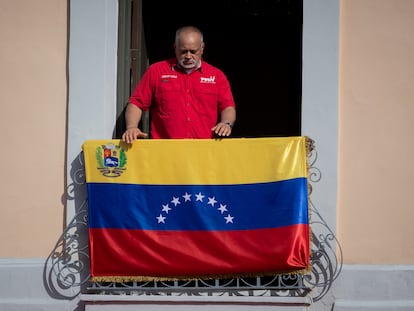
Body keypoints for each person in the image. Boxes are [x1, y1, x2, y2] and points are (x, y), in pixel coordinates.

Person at [122, 26, 236, 143]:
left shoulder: (217, 76)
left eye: (193, 51)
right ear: (175, 47)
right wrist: (132, 127)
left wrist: (226, 123)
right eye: (183, 51)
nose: (188, 56)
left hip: (204, 150)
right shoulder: (156, 71)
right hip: (166, 150)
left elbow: (228, 107)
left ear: (202, 48)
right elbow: (136, 103)